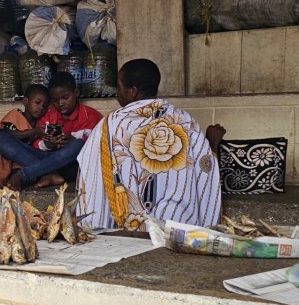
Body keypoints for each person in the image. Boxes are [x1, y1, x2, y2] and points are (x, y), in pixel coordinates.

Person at [76, 58, 224, 230]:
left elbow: (90, 171)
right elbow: (205, 167)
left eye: (119, 86)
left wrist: (90, 225)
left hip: (129, 231)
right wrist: (213, 146)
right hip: (178, 226)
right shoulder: (185, 120)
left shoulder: (110, 124)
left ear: (133, 91)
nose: (117, 93)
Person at [0, 72, 102, 189]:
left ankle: (26, 174)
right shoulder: (48, 112)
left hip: (69, 164)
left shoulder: (92, 117)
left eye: (65, 98)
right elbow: (34, 144)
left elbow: (98, 151)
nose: (60, 103)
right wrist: (49, 144)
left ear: (76, 93)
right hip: (44, 158)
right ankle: (49, 174)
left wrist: (72, 142)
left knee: (78, 144)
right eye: (55, 100)